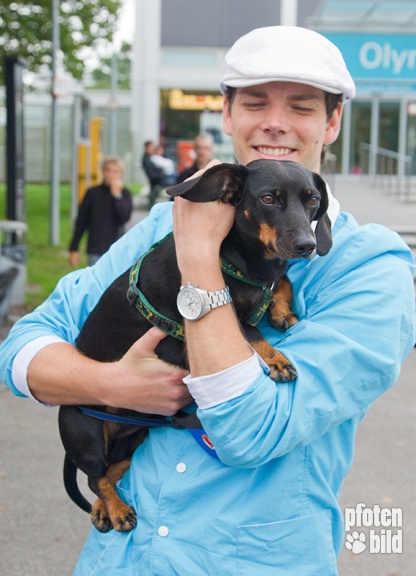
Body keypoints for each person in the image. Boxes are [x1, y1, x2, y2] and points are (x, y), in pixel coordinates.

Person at [0, 26, 415, 575]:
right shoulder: (159, 223)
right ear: (227, 113)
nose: (274, 120)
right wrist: (111, 384)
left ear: (332, 121)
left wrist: (197, 257)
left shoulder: (370, 267)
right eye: (254, 101)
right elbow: (23, 348)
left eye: (302, 105)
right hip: (120, 561)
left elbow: (248, 430)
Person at [68, 156, 133, 267]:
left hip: (116, 247)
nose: (111, 175)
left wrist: (116, 196)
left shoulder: (125, 194)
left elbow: (124, 217)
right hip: (95, 247)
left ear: (120, 174)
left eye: (115, 171)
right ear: (103, 172)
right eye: (108, 171)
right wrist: (74, 248)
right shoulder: (92, 193)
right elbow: (81, 221)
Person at [142, 140, 177, 209]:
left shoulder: (151, 157)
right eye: (150, 147)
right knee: (177, 181)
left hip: (162, 178)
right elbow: (152, 175)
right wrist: (162, 175)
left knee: (177, 178)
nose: (152, 149)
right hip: (159, 180)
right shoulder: (147, 160)